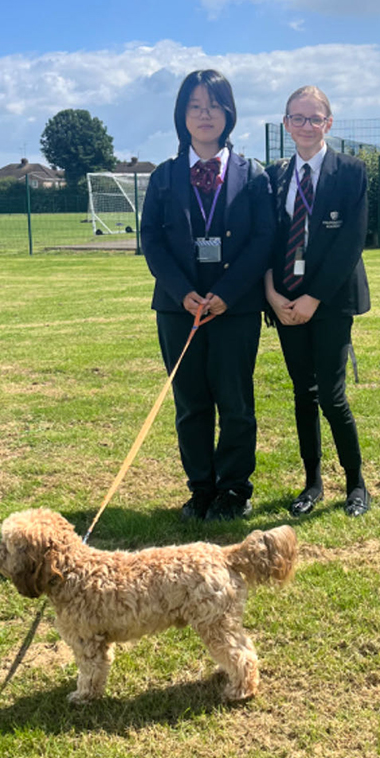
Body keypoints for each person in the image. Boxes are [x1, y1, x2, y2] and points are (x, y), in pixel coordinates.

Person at [141, 69, 274, 522]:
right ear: (182, 115)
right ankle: (201, 488)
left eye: (214, 105)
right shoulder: (163, 177)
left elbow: (263, 240)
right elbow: (152, 240)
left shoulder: (253, 176)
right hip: (178, 309)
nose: (205, 115)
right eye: (195, 106)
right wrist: (183, 293)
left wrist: (226, 294)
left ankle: (233, 490)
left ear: (228, 113)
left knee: (236, 402)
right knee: (190, 402)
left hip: (234, 309)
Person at [265, 86, 371, 517]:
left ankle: (356, 483)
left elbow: (350, 243)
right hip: (286, 302)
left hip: (331, 300)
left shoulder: (351, 172)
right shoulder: (274, 176)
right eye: (297, 118)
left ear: (328, 123)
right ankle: (312, 482)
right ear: (286, 124)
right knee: (302, 395)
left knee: (331, 395)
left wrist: (314, 298)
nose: (306, 126)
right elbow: (266, 239)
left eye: (314, 118)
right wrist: (272, 294)